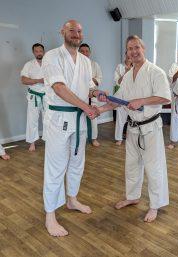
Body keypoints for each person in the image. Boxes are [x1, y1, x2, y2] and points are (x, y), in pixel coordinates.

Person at [97, 35, 171, 222]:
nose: (134, 51)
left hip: (151, 127)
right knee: (131, 165)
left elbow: (165, 97)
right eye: (130, 49)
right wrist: (101, 108)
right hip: (133, 128)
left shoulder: (156, 72)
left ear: (143, 48)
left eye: (137, 47)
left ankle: (155, 205)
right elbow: (119, 100)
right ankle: (133, 197)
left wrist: (142, 101)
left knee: (154, 168)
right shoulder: (128, 76)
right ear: (127, 52)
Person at [42, 20, 99, 237]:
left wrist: (97, 95)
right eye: (72, 30)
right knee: (56, 167)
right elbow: (58, 87)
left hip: (79, 120)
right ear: (63, 32)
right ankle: (50, 215)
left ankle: (72, 199)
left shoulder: (85, 61)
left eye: (79, 31)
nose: (76, 34)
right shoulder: (52, 56)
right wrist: (86, 106)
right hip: (59, 120)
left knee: (77, 163)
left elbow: (90, 88)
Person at [20, 43, 45, 152]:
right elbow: (23, 80)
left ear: (43, 51)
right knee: (32, 120)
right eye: (36, 51)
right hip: (33, 96)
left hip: (47, 96)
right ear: (33, 52)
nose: (39, 53)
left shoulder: (49, 64)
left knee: (48, 120)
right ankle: (32, 143)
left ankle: (49, 141)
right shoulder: (28, 65)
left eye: (40, 51)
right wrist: (38, 80)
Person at [79, 43, 103, 147]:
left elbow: (99, 78)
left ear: (89, 52)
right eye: (82, 51)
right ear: (79, 52)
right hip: (79, 95)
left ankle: (93, 138)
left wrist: (89, 80)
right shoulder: (76, 65)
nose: (84, 53)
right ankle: (81, 138)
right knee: (80, 118)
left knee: (93, 117)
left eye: (86, 51)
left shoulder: (95, 64)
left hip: (92, 94)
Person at [113, 51, 132, 145]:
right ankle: (119, 138)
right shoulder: (119, 67)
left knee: (133, 118)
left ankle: (130, 137)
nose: (129, 55)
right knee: (120, 118)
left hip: (133, 96)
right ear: (125, 55)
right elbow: (118, 82)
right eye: (128, 53)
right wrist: (126, 72)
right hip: (121, 96)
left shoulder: (137, 67)